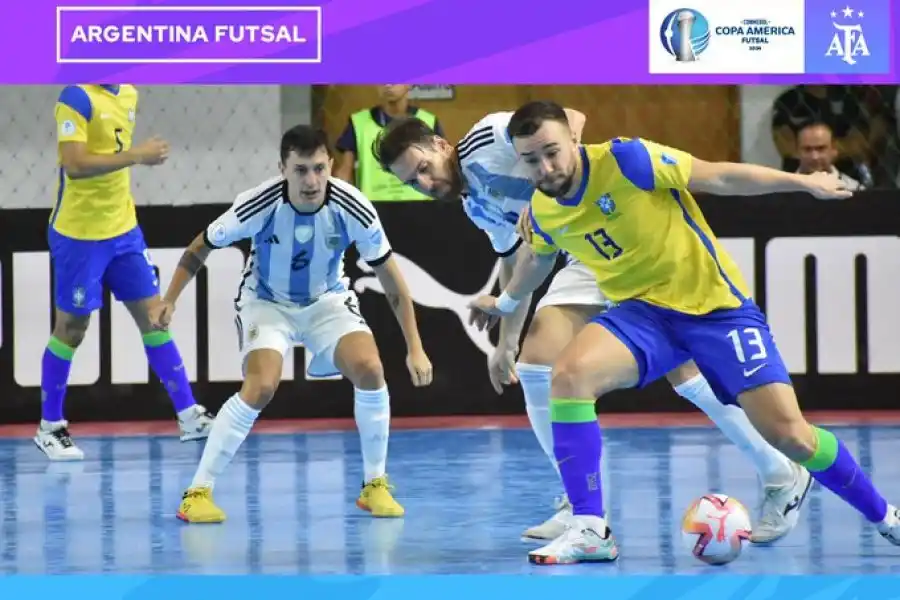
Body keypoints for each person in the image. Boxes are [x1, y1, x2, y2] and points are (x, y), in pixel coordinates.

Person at [468, 100, 900, 565]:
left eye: (552, 152)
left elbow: (717, 176)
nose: (545, 167)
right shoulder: (543, 209)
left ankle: (886, 517)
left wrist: (803, 182)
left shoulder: (628, 160)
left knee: (792, 436)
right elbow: (537, 258)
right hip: (643, 315)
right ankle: (590, 529)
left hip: (716, 311)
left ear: (574, 138)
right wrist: (506, 302)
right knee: (569, 375)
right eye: (531, 160)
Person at [372, 111, 809, 545]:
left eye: (424, 168)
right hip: (577, 256)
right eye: (412, 182)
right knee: (545, 365)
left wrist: (571, 169)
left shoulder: (487, 137)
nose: (425, 185)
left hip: (614, 234)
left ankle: (777, 471)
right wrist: (506, 341)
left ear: (440, 146)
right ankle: (581, 504)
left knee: (671, 372)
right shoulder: (475, 207)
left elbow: (573, 117)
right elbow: (515, 264)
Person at [153, 125, 433, 523]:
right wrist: (169, 299)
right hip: (266, 303)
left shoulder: (353, 206)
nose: (312, 181)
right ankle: (197, 492)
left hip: (327, 301)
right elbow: (201, 245)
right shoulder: (259, 204)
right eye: (300, 170)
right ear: (282, 168)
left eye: (320, 168)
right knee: (261, 386)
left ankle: (375, 484)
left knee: (371, 370)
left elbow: (391, 280)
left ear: (331, 165)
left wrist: (415, 346)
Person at [40, 84, 215, 461]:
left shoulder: (129, 94)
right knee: (72, 329)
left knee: (155, 318)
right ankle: (50, 427)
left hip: (123, 231)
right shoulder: (76, 97)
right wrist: (137, 155)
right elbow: (75, 163)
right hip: (79, 235)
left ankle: (188, 416)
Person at [334, 85, 445, 201]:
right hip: (374, 211)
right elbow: (345, 173)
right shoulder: (358, 123)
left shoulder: (429, 122)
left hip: (422, 209)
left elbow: (443, 172)